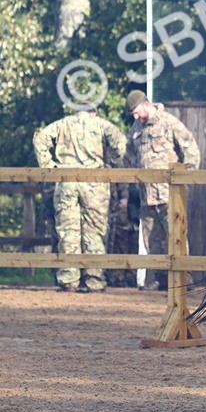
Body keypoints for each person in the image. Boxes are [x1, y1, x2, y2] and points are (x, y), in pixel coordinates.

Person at [33, 107, 127, 292]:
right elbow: (120, 143)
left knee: (68, 231)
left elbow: (40, 138)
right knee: (94, 231)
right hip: (94, 182)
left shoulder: (63, 123)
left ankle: (69, 279)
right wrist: (111, 164)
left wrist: (50, 166)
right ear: (95, 110)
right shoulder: (101, 124)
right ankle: (94, 279)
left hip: (66, 180)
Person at [123, 90, 200, 291]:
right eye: (132, 114)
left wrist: (186, 180)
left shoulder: (168, 122)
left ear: (146, 104)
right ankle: (159, 279)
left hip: (169, 194)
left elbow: (190, 149)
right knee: (152, 240)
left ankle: (183, 278)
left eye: (137, 112)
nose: (135, 116)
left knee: (176, 235)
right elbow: (129, 155)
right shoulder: (136, 128)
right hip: (146, 196)